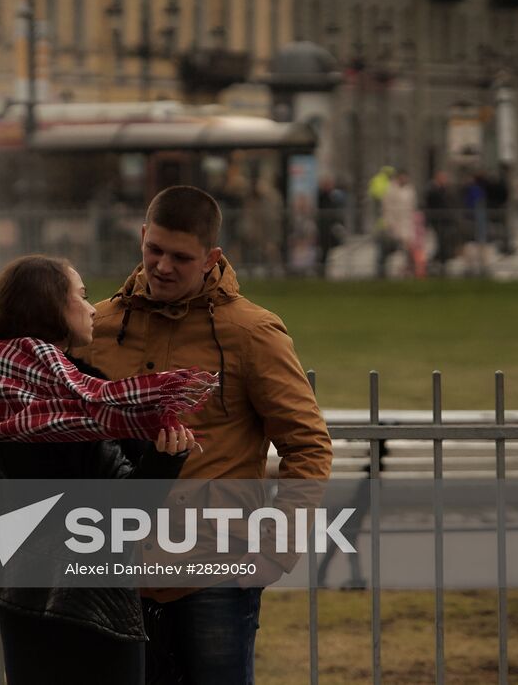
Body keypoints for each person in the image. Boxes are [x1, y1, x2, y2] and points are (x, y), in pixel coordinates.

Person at [74, 186, 333, 685]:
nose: (163, 266)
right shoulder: (97, 326)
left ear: (212, 257)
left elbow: (307, 445)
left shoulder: (252, 333)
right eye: (154, 250)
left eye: (181, 257)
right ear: (143, 236)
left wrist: (275, 550)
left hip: (217, 570)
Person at [0, 255, 197, 685]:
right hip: (91, 596)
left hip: (21, 589)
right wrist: (165, 459)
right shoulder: (76, 398)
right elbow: (125, 509)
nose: (93, 306)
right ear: (51, 308)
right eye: (80, 296)